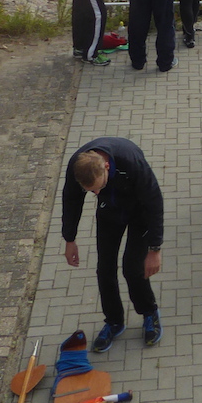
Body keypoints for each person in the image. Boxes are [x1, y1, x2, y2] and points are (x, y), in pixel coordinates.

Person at [61, 136, 166, 350]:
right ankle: (114, 321)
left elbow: (154, 202)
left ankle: (149, 313)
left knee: (132, 268)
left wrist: (155, 249)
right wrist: (69, 239)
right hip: (109, 211)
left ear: (107, 166)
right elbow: (71, 201)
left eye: (99, 187)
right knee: (105, 269)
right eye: (91, 192)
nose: (96, 193)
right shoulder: (77, 167)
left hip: (139, 212)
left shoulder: (131, 161)